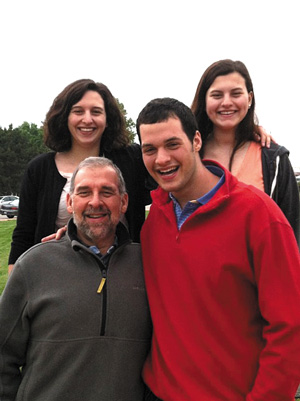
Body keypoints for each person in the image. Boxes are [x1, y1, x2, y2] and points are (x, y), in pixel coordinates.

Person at [136, 98, 300, 401]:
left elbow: (290, 327)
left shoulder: (259, 216)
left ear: (197, 140)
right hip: (159, 392)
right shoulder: (154, 220)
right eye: (150, 149)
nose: (161, 159)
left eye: (173, 144)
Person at [0, 157, 152, 401]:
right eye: (84, 192)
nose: (95, 202)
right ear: (70, 202)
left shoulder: (149, 265)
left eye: (106, 192)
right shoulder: (33, 266)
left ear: (123, 202)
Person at [8, 79, 153, 272]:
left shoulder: (131, 159)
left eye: (96, 111)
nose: (87, 119)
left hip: (123, 275)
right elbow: (23, 236)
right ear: (65, 117)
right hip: (58, 276)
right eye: (78, 111)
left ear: (107, 119)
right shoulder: (39, 169)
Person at [190, 59, 299, 242]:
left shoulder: (274, 160)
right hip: (197, 268)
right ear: (204, 100)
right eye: (217, 95)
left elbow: (291, 233)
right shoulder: (190, 154)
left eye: (236, 94)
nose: (226, 102)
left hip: (259, 269)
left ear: (249, 99)